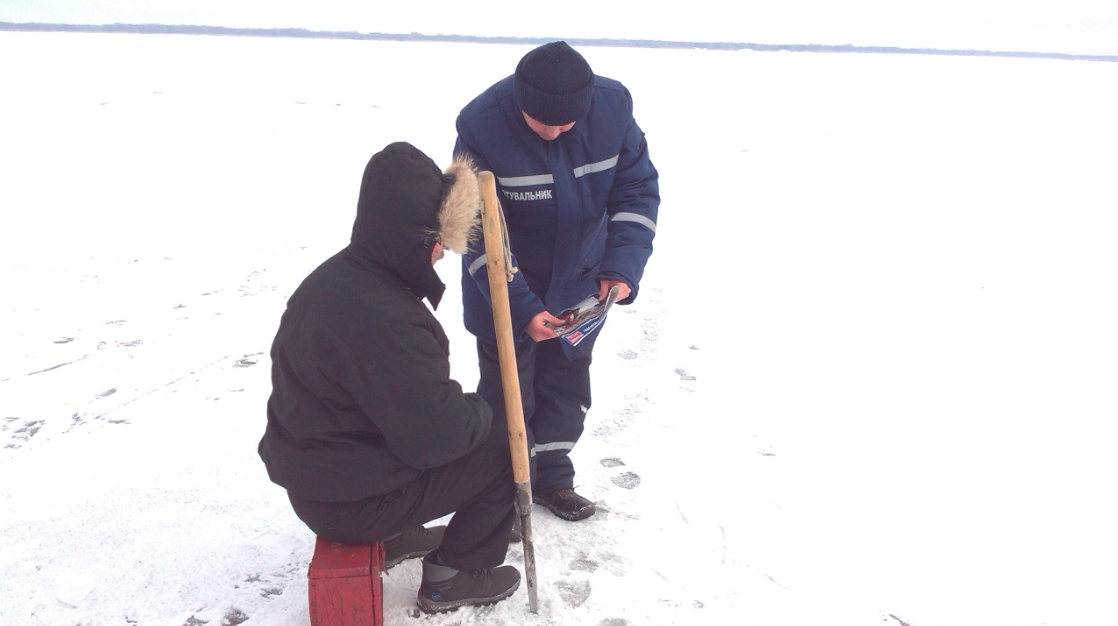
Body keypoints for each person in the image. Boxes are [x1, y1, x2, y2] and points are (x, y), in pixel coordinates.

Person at [258, 142, 520, 613]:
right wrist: (480, 411)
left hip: (322, 479)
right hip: (348, 503)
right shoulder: (383, 319)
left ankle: (398, 532)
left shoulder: (340, 277)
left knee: (410, 418)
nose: (443, 251)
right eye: (440, 239)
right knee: (504, 449)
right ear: (417, 238)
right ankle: (455, 574)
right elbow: (436, 438)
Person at [454, 42, 660, 522]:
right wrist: (522, 308)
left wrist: (621, 268)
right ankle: (500, 493)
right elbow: (474, 228)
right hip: (505, 294)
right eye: (540, 122)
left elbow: (637, 190)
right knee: (509, 396)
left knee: (565, 391)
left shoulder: (613, 110)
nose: (553, 131)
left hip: (580, 287)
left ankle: (552, 480)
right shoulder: (481, 124)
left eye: (565, 124)